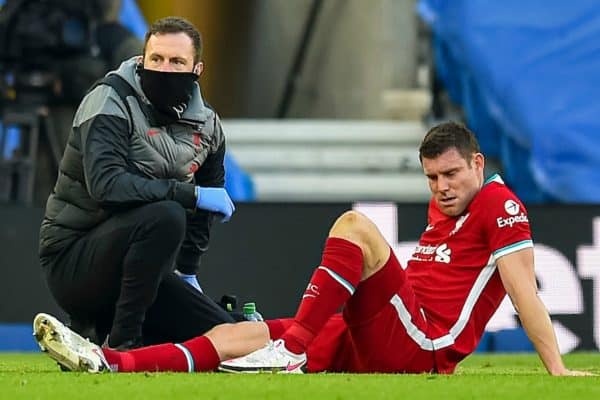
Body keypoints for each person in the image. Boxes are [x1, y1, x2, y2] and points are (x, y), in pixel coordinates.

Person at [34, 122, 591, 375]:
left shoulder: (500, 204)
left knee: (357, 224)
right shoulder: (445, 204)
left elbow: (524, 289)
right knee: (231, 334)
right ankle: (108, 361)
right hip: (377, 333)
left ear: (477, 164)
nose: (442, 187)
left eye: (450, 175)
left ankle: (294, 347)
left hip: (424, 344)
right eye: (430, 178)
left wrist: (556, 371)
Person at [38, 16, 236, 351]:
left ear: (197, 70)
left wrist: (188, 272)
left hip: (143, 270)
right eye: (156, 59)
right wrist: (191, 194)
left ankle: (95, 335)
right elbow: (107, 186)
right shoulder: (108, 100)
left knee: (226, 334)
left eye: (177, 62)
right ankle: (121, 345)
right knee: (168, 215)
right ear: (142, 60)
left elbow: (206, 207)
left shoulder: (209, 127)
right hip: (74, 259)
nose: (164, 69)